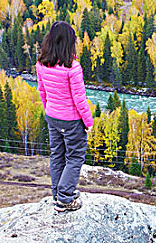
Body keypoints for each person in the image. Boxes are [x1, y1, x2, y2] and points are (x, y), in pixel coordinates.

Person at [36, 21, 93, 212]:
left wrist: (49, 110)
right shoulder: (73, 67)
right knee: (75, 157)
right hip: (72, 120)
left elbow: (42, 91)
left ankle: (57, 194)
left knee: (57, 155)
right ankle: (65, 198)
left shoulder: (42, 63)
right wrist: (88, 122)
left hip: (52, 116)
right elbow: (80, 99)